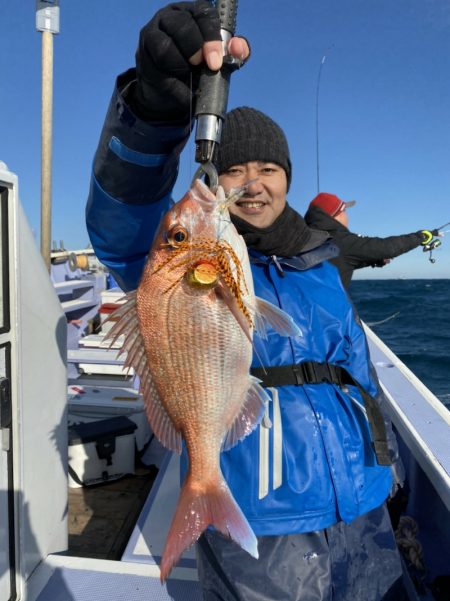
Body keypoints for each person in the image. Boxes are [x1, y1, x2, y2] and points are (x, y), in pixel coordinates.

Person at [86, 2, 407, 599]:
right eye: (234, 168)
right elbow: (119, 223)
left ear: (287, 176)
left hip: (365, 501)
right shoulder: (173, 261)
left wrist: (390, 474)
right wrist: (153, 113)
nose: (253, 182)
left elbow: (359, 371)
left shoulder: (326, 256)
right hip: (263, 518)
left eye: (268, 167)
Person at [305, 192, 441, 288]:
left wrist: (373, 260)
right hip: (327, 319)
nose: (347, 216)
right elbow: (386, 248)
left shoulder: (305, 240)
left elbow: (336, 262)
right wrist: (421, 237)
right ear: (336, 216)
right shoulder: (340, 241)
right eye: (344, 211)